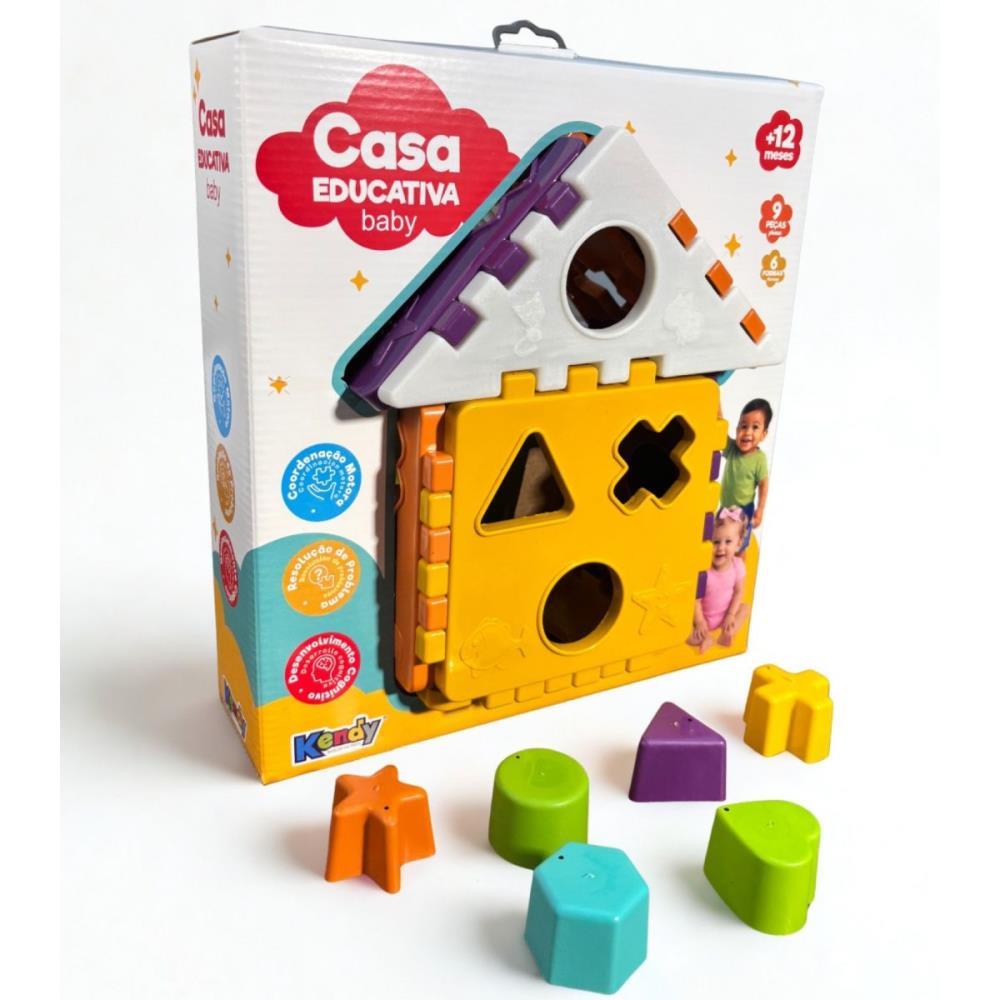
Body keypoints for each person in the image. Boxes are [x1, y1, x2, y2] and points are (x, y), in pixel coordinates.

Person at [688, 507, 749, 654]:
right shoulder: (704, 570)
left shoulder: (737, 566)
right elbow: (695, 600)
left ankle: (727, 633)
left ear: (739, 543)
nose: (721, 548)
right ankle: (706, 637)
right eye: (715, 542)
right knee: (684, 633)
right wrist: (700, 622)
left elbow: (739, 592)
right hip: (703, 618)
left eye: (728, 542)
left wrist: (731, 615)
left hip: (725, 616)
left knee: (745, 608)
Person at [720, 398, 771, 555]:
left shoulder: (759, 459)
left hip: (744, 511)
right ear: (736, 430)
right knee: (720, 538)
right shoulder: (732, 449)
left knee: (740, 546)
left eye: (755, 427)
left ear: (763, 434)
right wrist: (716, 401)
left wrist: (760, 510)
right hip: (725, 508)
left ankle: (739, 565)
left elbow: (763, 485)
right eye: (743, 426)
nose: (747, 432)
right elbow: (719, 427)